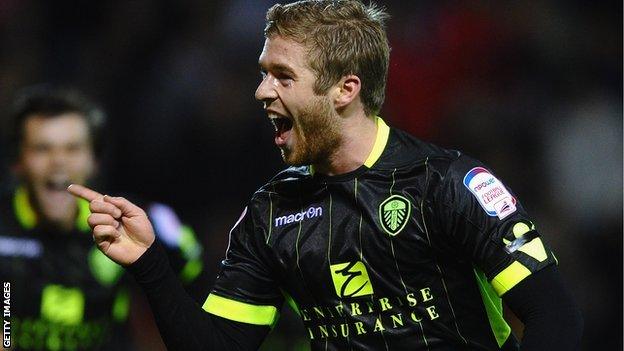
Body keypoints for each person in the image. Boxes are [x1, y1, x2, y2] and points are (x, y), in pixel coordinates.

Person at [69, 1, 583, 350]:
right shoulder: (272, 211)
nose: (261, 92)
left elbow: (554, 317)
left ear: (345, 89)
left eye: (283, 76)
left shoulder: (448, 183)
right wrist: (149, 263)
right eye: (262, 74)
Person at [0, 86, 205, 350]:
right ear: (18, 163)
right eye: (42, 149)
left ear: (94, 161)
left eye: (72, 149)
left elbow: (202, 287)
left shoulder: (135, 224)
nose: (58, 161)